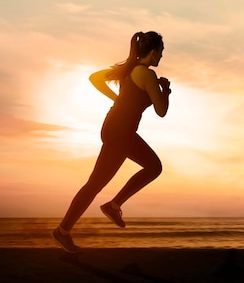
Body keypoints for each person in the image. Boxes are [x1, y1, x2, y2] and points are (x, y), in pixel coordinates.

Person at [53, 31, 171, 253]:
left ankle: (112, 206)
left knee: (153, 167)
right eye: (161, 52)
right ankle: (64, 230)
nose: (162, 56)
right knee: (96, 183)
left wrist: (117, 99)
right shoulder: (146, 74)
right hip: (120, 133)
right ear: (154, 51)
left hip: (117, 128)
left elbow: (95, 78)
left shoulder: (128, 70)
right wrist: (165, 91)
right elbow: (161, 110)